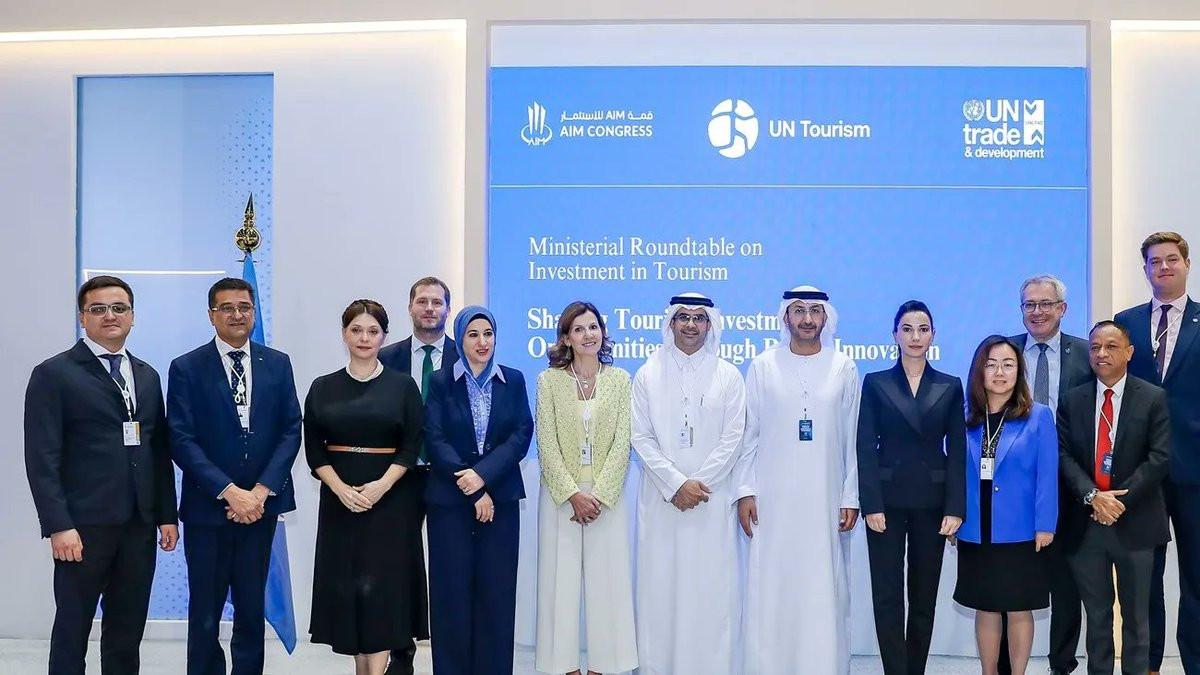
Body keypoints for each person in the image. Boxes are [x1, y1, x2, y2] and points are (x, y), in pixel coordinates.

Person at [24, 275, 178, 674]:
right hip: (82, 528)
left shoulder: (147, 375)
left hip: (138, 525)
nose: (110, 316)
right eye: (98, 309)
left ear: (132, 316)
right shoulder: (54, 373)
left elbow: (157, 450)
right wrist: (58, 525)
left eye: (119, 308)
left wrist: (166, 515)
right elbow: (41, 458)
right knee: (72, 629)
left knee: (127, 631)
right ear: (82, 317)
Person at [167, 277, 302, 675]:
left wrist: (259, 492)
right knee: (205, 610)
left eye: (244, 307)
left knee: (250, 606)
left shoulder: (277, 363)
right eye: (226, 308)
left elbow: (291, 428)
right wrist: (229, 492)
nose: (237, 315)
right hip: (208, 510)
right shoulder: (187, 367)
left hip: (260, 509)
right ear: (212, 315)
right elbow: (181, 438)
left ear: (254, 313)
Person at [733, 285, 861, 675]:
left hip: (825, 497)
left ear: (826, 318)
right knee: (774, 584)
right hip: (773, 499)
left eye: (815, 311)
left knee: (822, 583)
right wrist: (745, 491)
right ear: (786, 316)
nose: (807, 319)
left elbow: (852, 438)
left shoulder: (843, 367)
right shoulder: (763, 366)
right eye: (799, 310)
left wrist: (850, 496)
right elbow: (749, 435)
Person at [303, 300, 427, 675]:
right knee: (350, 592)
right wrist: (341, 489)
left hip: (390, 504)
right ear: (344, 334)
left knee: (383, 594)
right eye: (356, 330)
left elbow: (411, 446)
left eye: (373, 331)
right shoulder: (322, 387)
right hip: (339, 505)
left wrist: (381, 486)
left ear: (384, 336)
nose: (364, 338)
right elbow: (314, 450)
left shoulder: (403, 386)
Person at [631, 292, 746, 675]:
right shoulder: (648, 373)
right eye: (683, 317)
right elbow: (640, 436)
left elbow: (734, 438)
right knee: (660, 590)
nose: (691, 325)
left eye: (699, 318)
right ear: (671, 323)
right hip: (662, 502)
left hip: (711, 502)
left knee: (710, 592)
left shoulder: (728, 375)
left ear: (710, 324)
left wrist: (699, 484)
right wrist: (675, 484)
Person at [857, 300, 965, 675]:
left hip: (932, 503)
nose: (915, 337)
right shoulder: (875, 383)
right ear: (895, 336)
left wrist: (955, 507)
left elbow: (958, 451)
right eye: (907, 329)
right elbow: (865, 447)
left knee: (923, 596)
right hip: (886, 502)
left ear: (933, 335)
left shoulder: (950, 385)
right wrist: (870, 503)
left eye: (922, 329)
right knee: (887, 595)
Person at [1057, 320, 1171, 675]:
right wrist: (1093, 496)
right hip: (1087, 524)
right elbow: (1063, 455)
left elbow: (1159, 458)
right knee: (1097, 616)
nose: (1101, 353)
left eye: (1111, 346)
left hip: (1136, 523)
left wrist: (1117, 502)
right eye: (1094, 347)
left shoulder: (1152, 397)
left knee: (1137, 618)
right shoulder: (1072, 399)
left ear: (1129, 352)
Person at [424, 306, 533, 675]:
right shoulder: (441, 382)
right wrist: (472, 488)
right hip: (449, 503)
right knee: (451, 595)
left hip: (501, 501)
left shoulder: (513, 380)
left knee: (496, 596)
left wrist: (482, 477)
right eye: (473, 334)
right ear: (460, 339)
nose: (482, 341)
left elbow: (520, 435)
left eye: (488, 333)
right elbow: (435, 438)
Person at [534, 300, 638, 675]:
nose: (587, 334)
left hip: (605, 498)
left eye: (593, 327)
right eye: (578, 329)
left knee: (607, 583)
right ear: (566, 338)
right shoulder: (549, 381)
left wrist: (600, 495)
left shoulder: (620, 380)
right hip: (561, 496)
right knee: (559, 584)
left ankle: (602, 667)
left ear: (602, 333)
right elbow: (546, 443)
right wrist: (572, 494)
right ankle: (564, 667)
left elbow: (623, 442)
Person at [1114, 231, 1200, 675]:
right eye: (1154, 261)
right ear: (1145, 269)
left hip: (1194, 468)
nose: (1163, 267)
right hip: (1141, 470)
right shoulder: (1125, 322)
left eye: (1171, 259)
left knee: (1197, 576)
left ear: (1186, 264)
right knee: (1143, 577)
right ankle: (1145, 665)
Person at [999, 274, 1093, 675]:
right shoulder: (1004, 353)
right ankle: (1007, 665)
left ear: (1062, 309)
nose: (1037, 312)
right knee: (1009, 578)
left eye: (1045, 304)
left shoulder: (1086, 353)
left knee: (1066, 581)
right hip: (1013, 486)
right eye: (1029, 305)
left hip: (1068, 480)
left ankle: (1061, 665)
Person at [953, 335, 1058, 675]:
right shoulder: (964, 418)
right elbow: (952, 471)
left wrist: (1045, 525)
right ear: (979, 371)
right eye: (991, 364)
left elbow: (1047, 475)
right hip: (975, 527)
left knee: (1018, 607)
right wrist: (953, 516)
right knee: (984, 605)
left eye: (1008, 365)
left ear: (1019, 371)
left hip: (1020, 530)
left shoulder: (1038, 416)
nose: (1000, 372)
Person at [380, 277, 455, 675]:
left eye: (437, 302)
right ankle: (401, 652)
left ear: (448, 310)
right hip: (400, 476)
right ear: (410, 308)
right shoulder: (386, 357)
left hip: (450, 477)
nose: (429, 308)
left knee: (447, 565)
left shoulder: (465, 356)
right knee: (399, 565)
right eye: (422, 301)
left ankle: (450, 652)